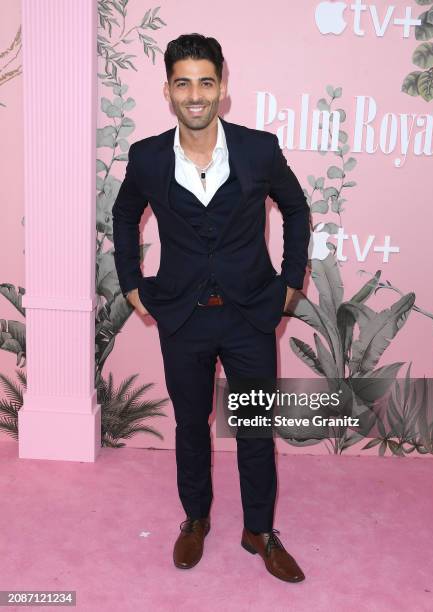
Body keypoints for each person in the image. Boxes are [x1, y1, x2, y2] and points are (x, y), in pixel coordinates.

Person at [112, 33, 311, 583]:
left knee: (254, 428)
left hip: (250, 314)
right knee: (191, 425)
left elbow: (296, 209)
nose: (195, 94)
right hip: (182, 316)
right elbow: (124, 216)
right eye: (183, 83)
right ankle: (195, 519)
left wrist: (291, 282)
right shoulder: (147, 157)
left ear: (222, 88)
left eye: (206, 82)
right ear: (168, 90)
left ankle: (259, 531)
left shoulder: (257, 149)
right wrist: (132, 283)